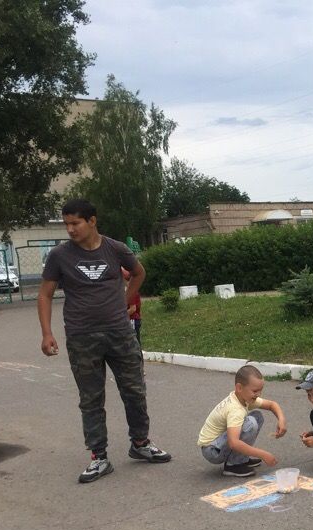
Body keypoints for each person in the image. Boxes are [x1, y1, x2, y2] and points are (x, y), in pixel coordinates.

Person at [37, 198, 172, 483]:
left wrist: (123, 302)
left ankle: (141, 444)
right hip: (81, 336)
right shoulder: (60, 256)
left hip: (119, 333)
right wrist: (47, 333)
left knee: (134, 390)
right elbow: (45, 294)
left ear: (92, 221)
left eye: (76, 223)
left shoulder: (115, 249)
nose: (70, 229)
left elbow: (138, 273)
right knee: (91, 398)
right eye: (67, 224)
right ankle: (99, 457)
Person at [198, 365, 287, 478]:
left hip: (217, 444)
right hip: (212, 451)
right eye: (255, 391)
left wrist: (281, 420)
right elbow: (233, 442)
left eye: (260, 390)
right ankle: (233, 465)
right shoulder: (235, 409)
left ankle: (240, 458)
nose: (259, 394)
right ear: (239, 388)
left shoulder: (243, 397)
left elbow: (272, 405)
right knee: (250, 423)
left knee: (257, 416)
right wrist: (264, 455)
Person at [121, 267, 142, 343]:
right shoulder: (126, 290)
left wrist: (120, 315)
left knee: (133, 342)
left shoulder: (131, 291)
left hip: (132, 320)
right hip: (130, 319)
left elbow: (133, 309)